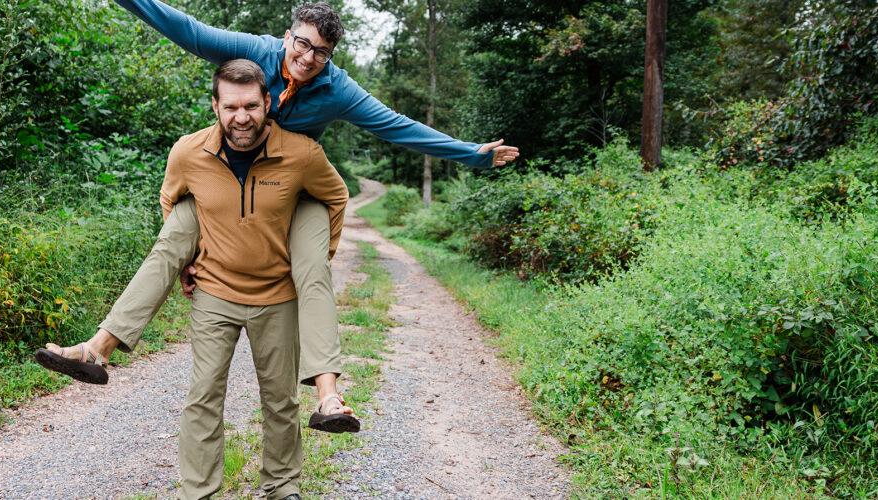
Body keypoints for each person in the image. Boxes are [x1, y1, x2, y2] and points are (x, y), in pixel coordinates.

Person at [35, 1, 519, 433]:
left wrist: (472, 155)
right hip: (225, 173)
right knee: (171, 239)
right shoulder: (252, 51)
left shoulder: (339, 88)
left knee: (312, 269)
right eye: (303, 45)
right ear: (288, 35)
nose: (308, 59)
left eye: (321, 52)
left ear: (330, 55)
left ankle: (329, 396)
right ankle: (97, 348)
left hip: (298, 184)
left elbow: (397, 126)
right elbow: (185, 28)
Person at [170, 59, 346, 499]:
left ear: (268, 102)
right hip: (215, 290)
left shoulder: (302, 154)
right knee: (203, 396)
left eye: (251, 105)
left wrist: (315, 260)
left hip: (278, 294)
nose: (241, 116)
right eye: (230, 107)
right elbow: (171, 200)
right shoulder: (189, 152)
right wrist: (188, 259)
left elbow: (335, 197)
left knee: (280, 400)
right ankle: (198, 493)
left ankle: (283, 488)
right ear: (215, 106)